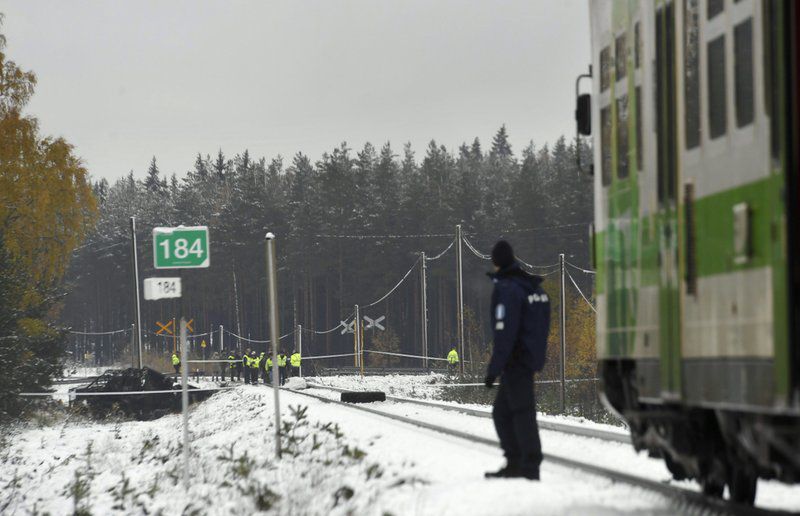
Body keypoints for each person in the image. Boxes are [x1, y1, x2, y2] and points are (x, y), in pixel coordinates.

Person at [483, 240, 550, 481]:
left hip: (516, 362)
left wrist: (494, 368)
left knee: (521, 412)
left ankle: (529, 466)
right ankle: (515, 461)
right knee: (503, 413)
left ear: (496, 261)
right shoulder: (530, 286)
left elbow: (505, 332)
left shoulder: (509, 289)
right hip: (526, 359)